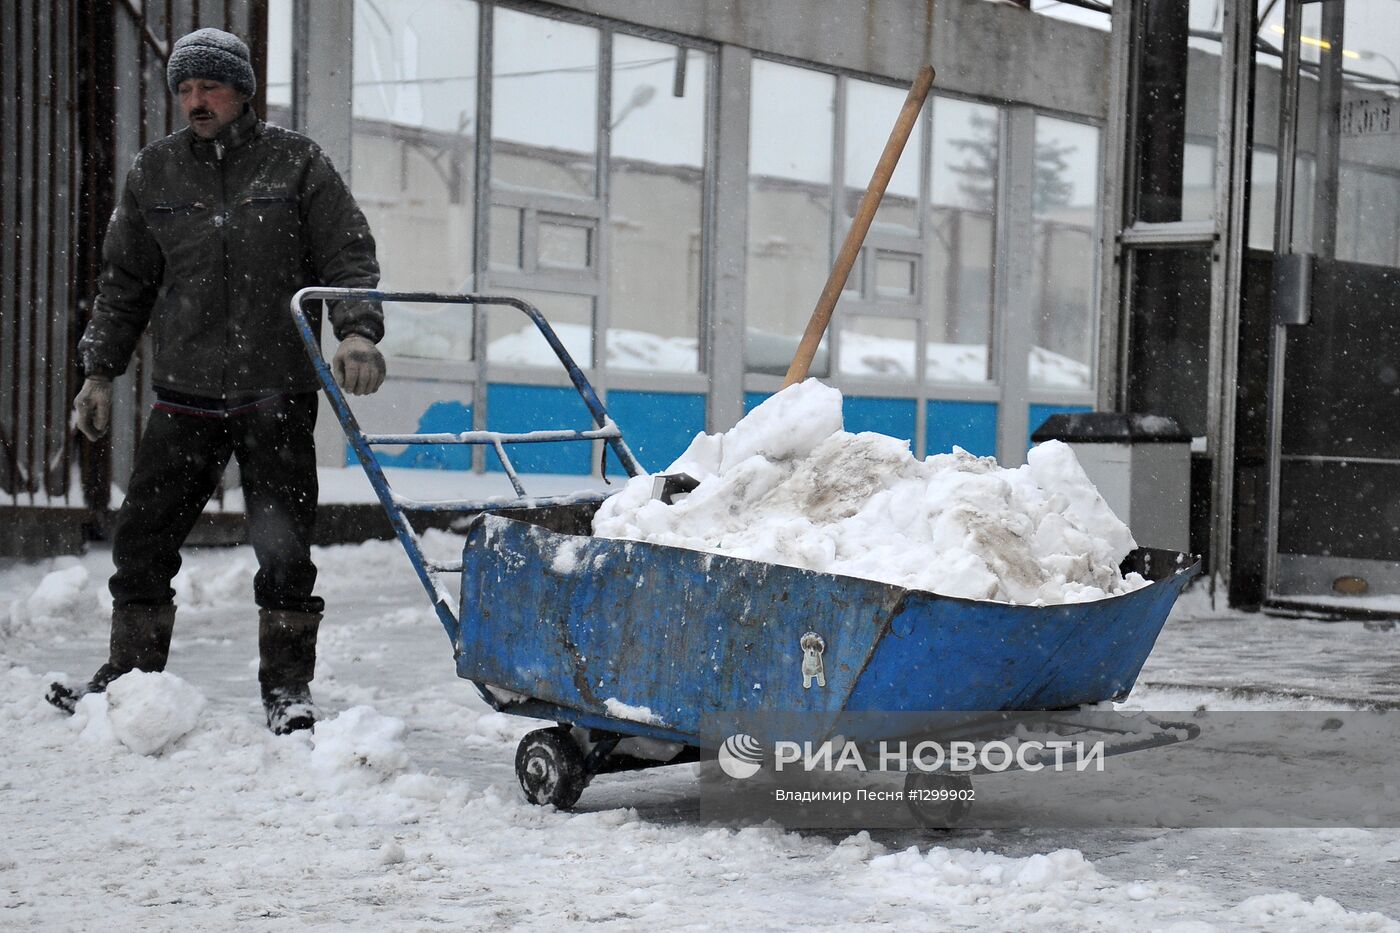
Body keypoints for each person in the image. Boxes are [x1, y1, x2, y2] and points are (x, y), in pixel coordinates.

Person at [46, 28, 386, 734]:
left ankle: (288, 687)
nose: (196, 101)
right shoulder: (156, 173)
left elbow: (348, 253)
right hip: (187, 390)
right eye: (185, 89)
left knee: (285, 548)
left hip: (277, 389)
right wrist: (99, 372)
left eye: (210, 87)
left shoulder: (297, 164)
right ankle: (131, 677)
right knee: (142, 538)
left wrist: (357, 328)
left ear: (243, 90)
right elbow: (124, 284)